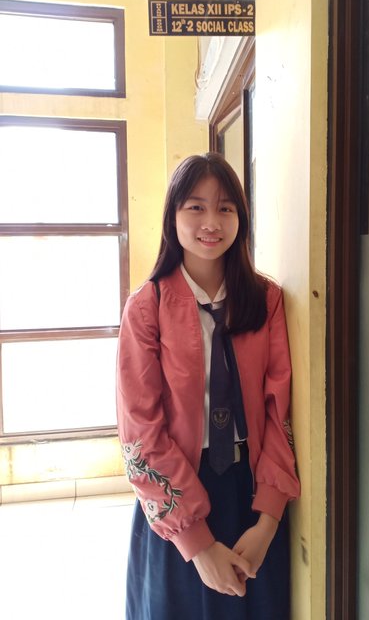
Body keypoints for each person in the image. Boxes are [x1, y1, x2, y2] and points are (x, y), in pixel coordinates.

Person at [116, 152, 300, 620]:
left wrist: (268, 521)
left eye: (225, 208)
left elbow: (280, 413)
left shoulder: (266, 300)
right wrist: (196, 544)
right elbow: (140, 431)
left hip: (250, 494)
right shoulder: (146, 307)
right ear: (173, 216)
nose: (211, 222)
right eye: (195, 207)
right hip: (176, 501)